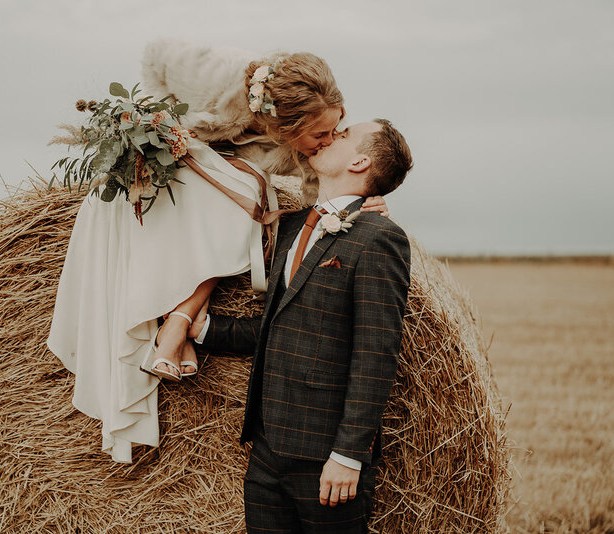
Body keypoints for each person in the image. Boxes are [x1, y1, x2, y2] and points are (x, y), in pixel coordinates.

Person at [47, 43, 387, 463]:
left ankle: (177, 321)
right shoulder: (217, 79)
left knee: (249, 199)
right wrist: (161, 124)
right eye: (322, 134)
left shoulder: (304, 149)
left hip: (225, 181)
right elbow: (156, 55)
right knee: (245, 195)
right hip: (173, 162)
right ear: (288, 122)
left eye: (338, 130)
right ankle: (179, 323)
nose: (330, 140)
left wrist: (363, 204)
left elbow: (323, 197)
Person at [189, 119, 413, 533]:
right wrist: (203, 328)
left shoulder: (378, 237)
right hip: (267, 449)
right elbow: (284, 328)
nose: (331, 135)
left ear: (361, 161)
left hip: (327, 460)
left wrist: (348, 456)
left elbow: (375, 355)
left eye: (343, 135)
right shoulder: (291, 227)